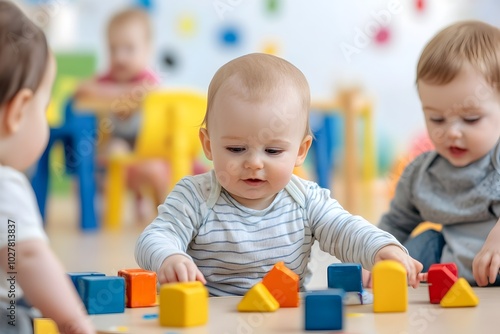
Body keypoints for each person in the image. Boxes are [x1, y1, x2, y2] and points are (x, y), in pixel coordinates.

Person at [135, 53, 424, 296]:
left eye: (272, 152)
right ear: (208, 145)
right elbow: (155, 237)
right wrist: (169, 257)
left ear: (301, 151)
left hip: (283, 317)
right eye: (236, 149)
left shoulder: (305, 199)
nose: (254, 163)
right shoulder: (195, 196)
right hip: (208, 317)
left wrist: (380, 248)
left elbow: (344, 229)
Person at [378, 21, 500, 287]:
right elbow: (395, 224)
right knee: (412, 245)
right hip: (449, 270)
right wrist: (377, 252)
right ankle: (379, 276)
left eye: (470, 119)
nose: (452, 133)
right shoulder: (422, 175)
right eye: (437, 119)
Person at [0, 1, 95, 333]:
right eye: (45, 106)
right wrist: (72, 319)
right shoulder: (6, 185)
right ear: (18, 111)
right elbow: (25, 257)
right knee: (19, 317)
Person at [75, 7, 168, 221]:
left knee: (156, 171)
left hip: (150, 149)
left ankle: (166, 218)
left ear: (147, 50)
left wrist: (108, 93)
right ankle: (99, 214)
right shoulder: (107, 78)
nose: (119, 57)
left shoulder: (148, 80)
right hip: (116, 147)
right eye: (113, 49)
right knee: (98, 162)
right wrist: (103, 90)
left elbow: (140, 94)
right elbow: (81, 89)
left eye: (128, 49)